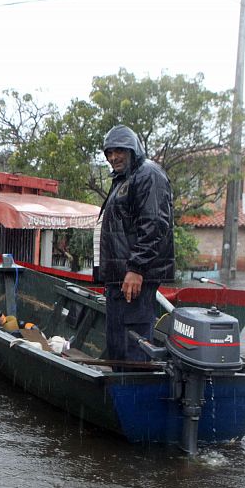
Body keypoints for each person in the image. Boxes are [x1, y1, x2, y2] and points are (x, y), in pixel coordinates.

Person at [95, 125, 175, 362]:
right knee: (118, 344)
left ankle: (133, 391)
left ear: (133, 148)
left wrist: (136, 268)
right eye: (109, 152)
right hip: (119, 278)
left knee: (133, 345)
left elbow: (155, 225)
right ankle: (118, 389)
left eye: (119, 150)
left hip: (134, 277)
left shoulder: (148, 174)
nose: (113, 157)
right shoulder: (124, 179)